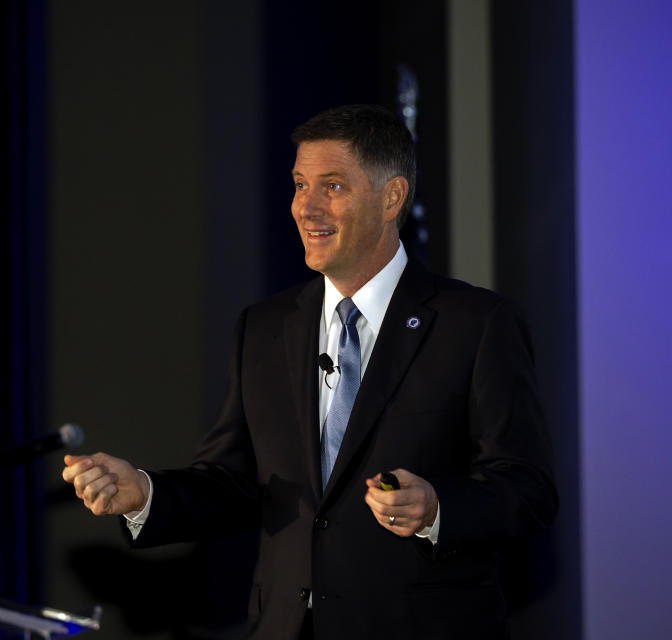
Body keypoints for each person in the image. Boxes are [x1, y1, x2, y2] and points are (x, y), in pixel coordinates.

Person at [62, 104, 557, 639]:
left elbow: (526, 488)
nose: (305, 207)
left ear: (391, 197)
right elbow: (234, 482)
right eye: (300, 184)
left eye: (334, 187)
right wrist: (145, 493)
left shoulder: (475, 324)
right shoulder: (265, 328)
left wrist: (437, 506)